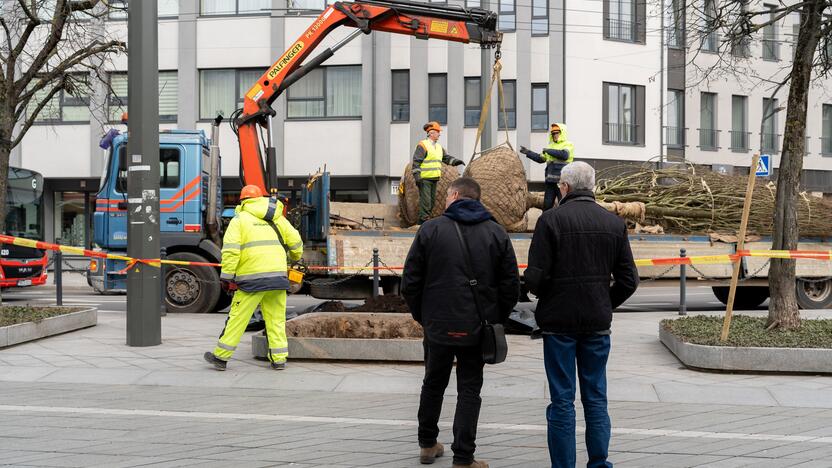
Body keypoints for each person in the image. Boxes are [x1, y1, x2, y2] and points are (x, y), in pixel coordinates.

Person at [525, 162, 638, 468]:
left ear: (564, 188)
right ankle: (599, 463)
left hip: (558, 325)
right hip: (596, 325)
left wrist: (540, 292)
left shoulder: (550, 221)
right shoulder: (614, 224)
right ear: (593, 187)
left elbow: (535, 277)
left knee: (562, 400)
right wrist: (603, 302)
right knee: (596, 397)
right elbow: (629, 281)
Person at [402, 177, 520, 468]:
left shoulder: (430, 230)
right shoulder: (496, 233)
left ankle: (427, 445)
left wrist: (424, 316)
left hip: (438, 325)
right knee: (469, 389)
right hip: (477, 326)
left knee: (433, 383)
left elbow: (410, 282)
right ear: (477, 200)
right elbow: (510, 287)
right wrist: (495, 319)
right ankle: (464, 458)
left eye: (446, 197)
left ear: (454, 195)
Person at [203, 185, 303, 371]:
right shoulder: (277, 218)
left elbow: (231, 252)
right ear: (261, 199)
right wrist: (296, 258)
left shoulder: (239, 220)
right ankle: (279, 359)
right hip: (277, 278)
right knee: (276, 320)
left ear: (242, 201)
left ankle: (221, 358)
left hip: (251, 281)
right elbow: (296, 241)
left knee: (238, 319)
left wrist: (226, 277)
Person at [412, 121, 465, 224]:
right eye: (437, 132)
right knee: (426, 202)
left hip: (434, 178)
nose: (439, 134)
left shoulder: (439, 147)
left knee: (431, 202)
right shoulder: (423, 145)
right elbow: (416, 161)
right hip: (424, 179)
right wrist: (417, 176)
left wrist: (455, 161)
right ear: (431, 133)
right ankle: (423, 222)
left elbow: (445, 158)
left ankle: (423, 221)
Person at [519, 123, 575, 210]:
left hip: (563, 183)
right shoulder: (550, 145)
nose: (555, 135)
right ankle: (546, 222)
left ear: (562, 133)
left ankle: (562, 223)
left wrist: (548, 150)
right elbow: (541, 159)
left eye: (557, 133)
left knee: (563, 206)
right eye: (553, 133)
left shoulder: (568, 144)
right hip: (550, 182)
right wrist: (528, 152)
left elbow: (564, 155)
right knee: (547, 206)